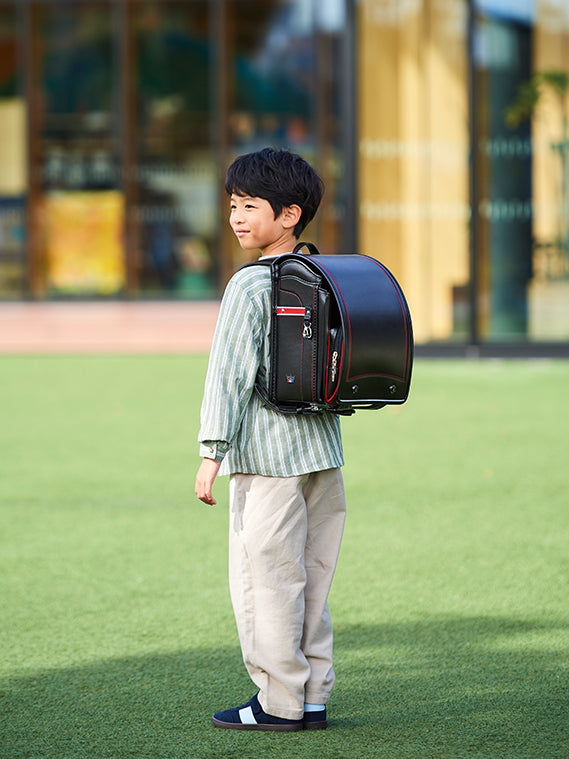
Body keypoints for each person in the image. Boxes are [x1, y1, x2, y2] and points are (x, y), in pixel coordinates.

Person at [195, 147, 346, 732]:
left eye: (249, 206)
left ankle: (278, 704)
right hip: (323, 454)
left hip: (268, 461)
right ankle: (313, 698)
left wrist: (211, 453)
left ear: (288, 214)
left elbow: (227, 374)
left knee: (267, 581)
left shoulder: (249, 284)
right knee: (313, 578)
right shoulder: (322, 274)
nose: (236, 217)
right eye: (233, 205)